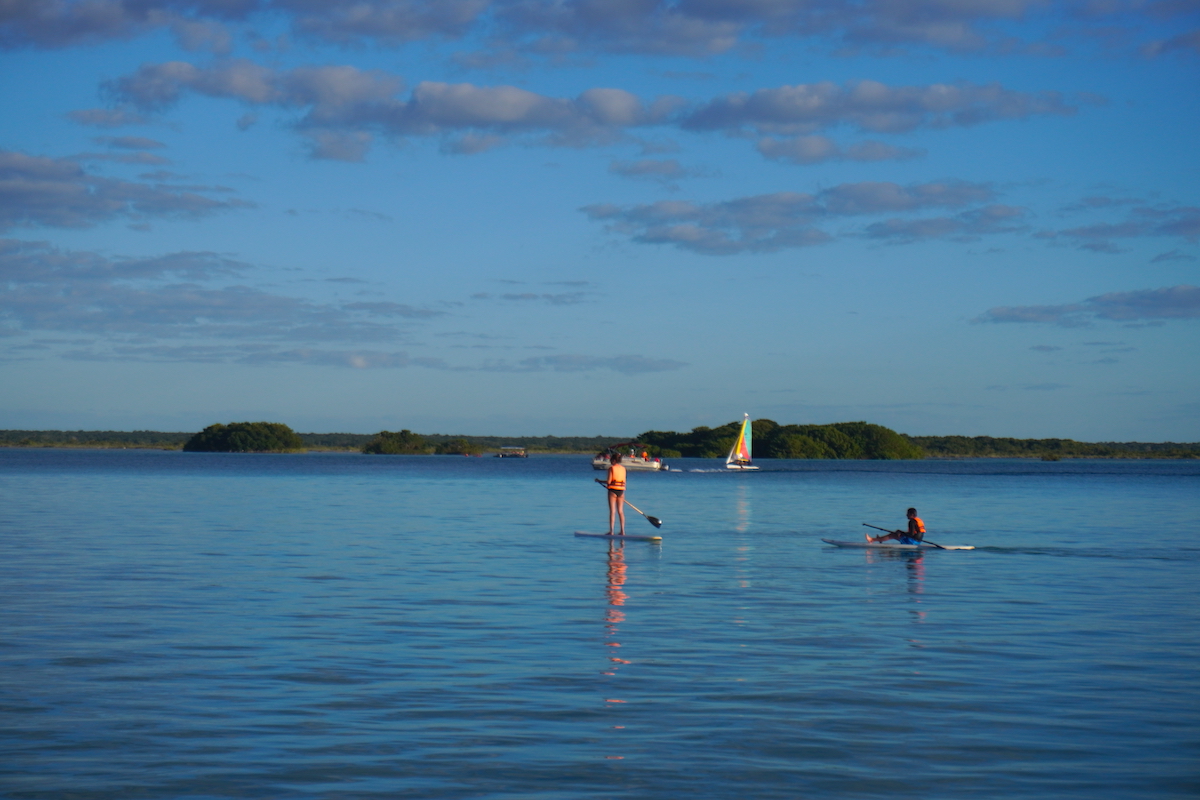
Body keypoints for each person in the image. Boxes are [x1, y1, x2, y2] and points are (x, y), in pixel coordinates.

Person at [601, 453, 626, 536]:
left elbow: (608, 482)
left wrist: (599, 481)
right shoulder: (623, 469)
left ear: (614, 460)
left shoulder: (611, 468)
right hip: (621, 491)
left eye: (611, 460)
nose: (610, 461)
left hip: (612, 491)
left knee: (613, 511)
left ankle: (611, 531)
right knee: (620, 511)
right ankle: (622, 531)